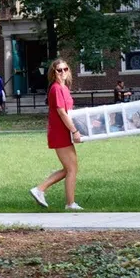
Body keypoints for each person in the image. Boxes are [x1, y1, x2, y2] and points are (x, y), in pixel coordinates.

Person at [30, 59, 84, 211]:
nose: (62, 73)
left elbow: (69, 113)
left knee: (70, 168)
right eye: (59, 70)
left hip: (63, 131)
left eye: (65, 69)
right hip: (60, 132)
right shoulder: (56, 88)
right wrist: (74, 131)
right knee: (72, 168)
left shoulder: (63, 88)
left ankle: (41, 190)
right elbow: (62, 112)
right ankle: (69, 203)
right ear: (53, 73)